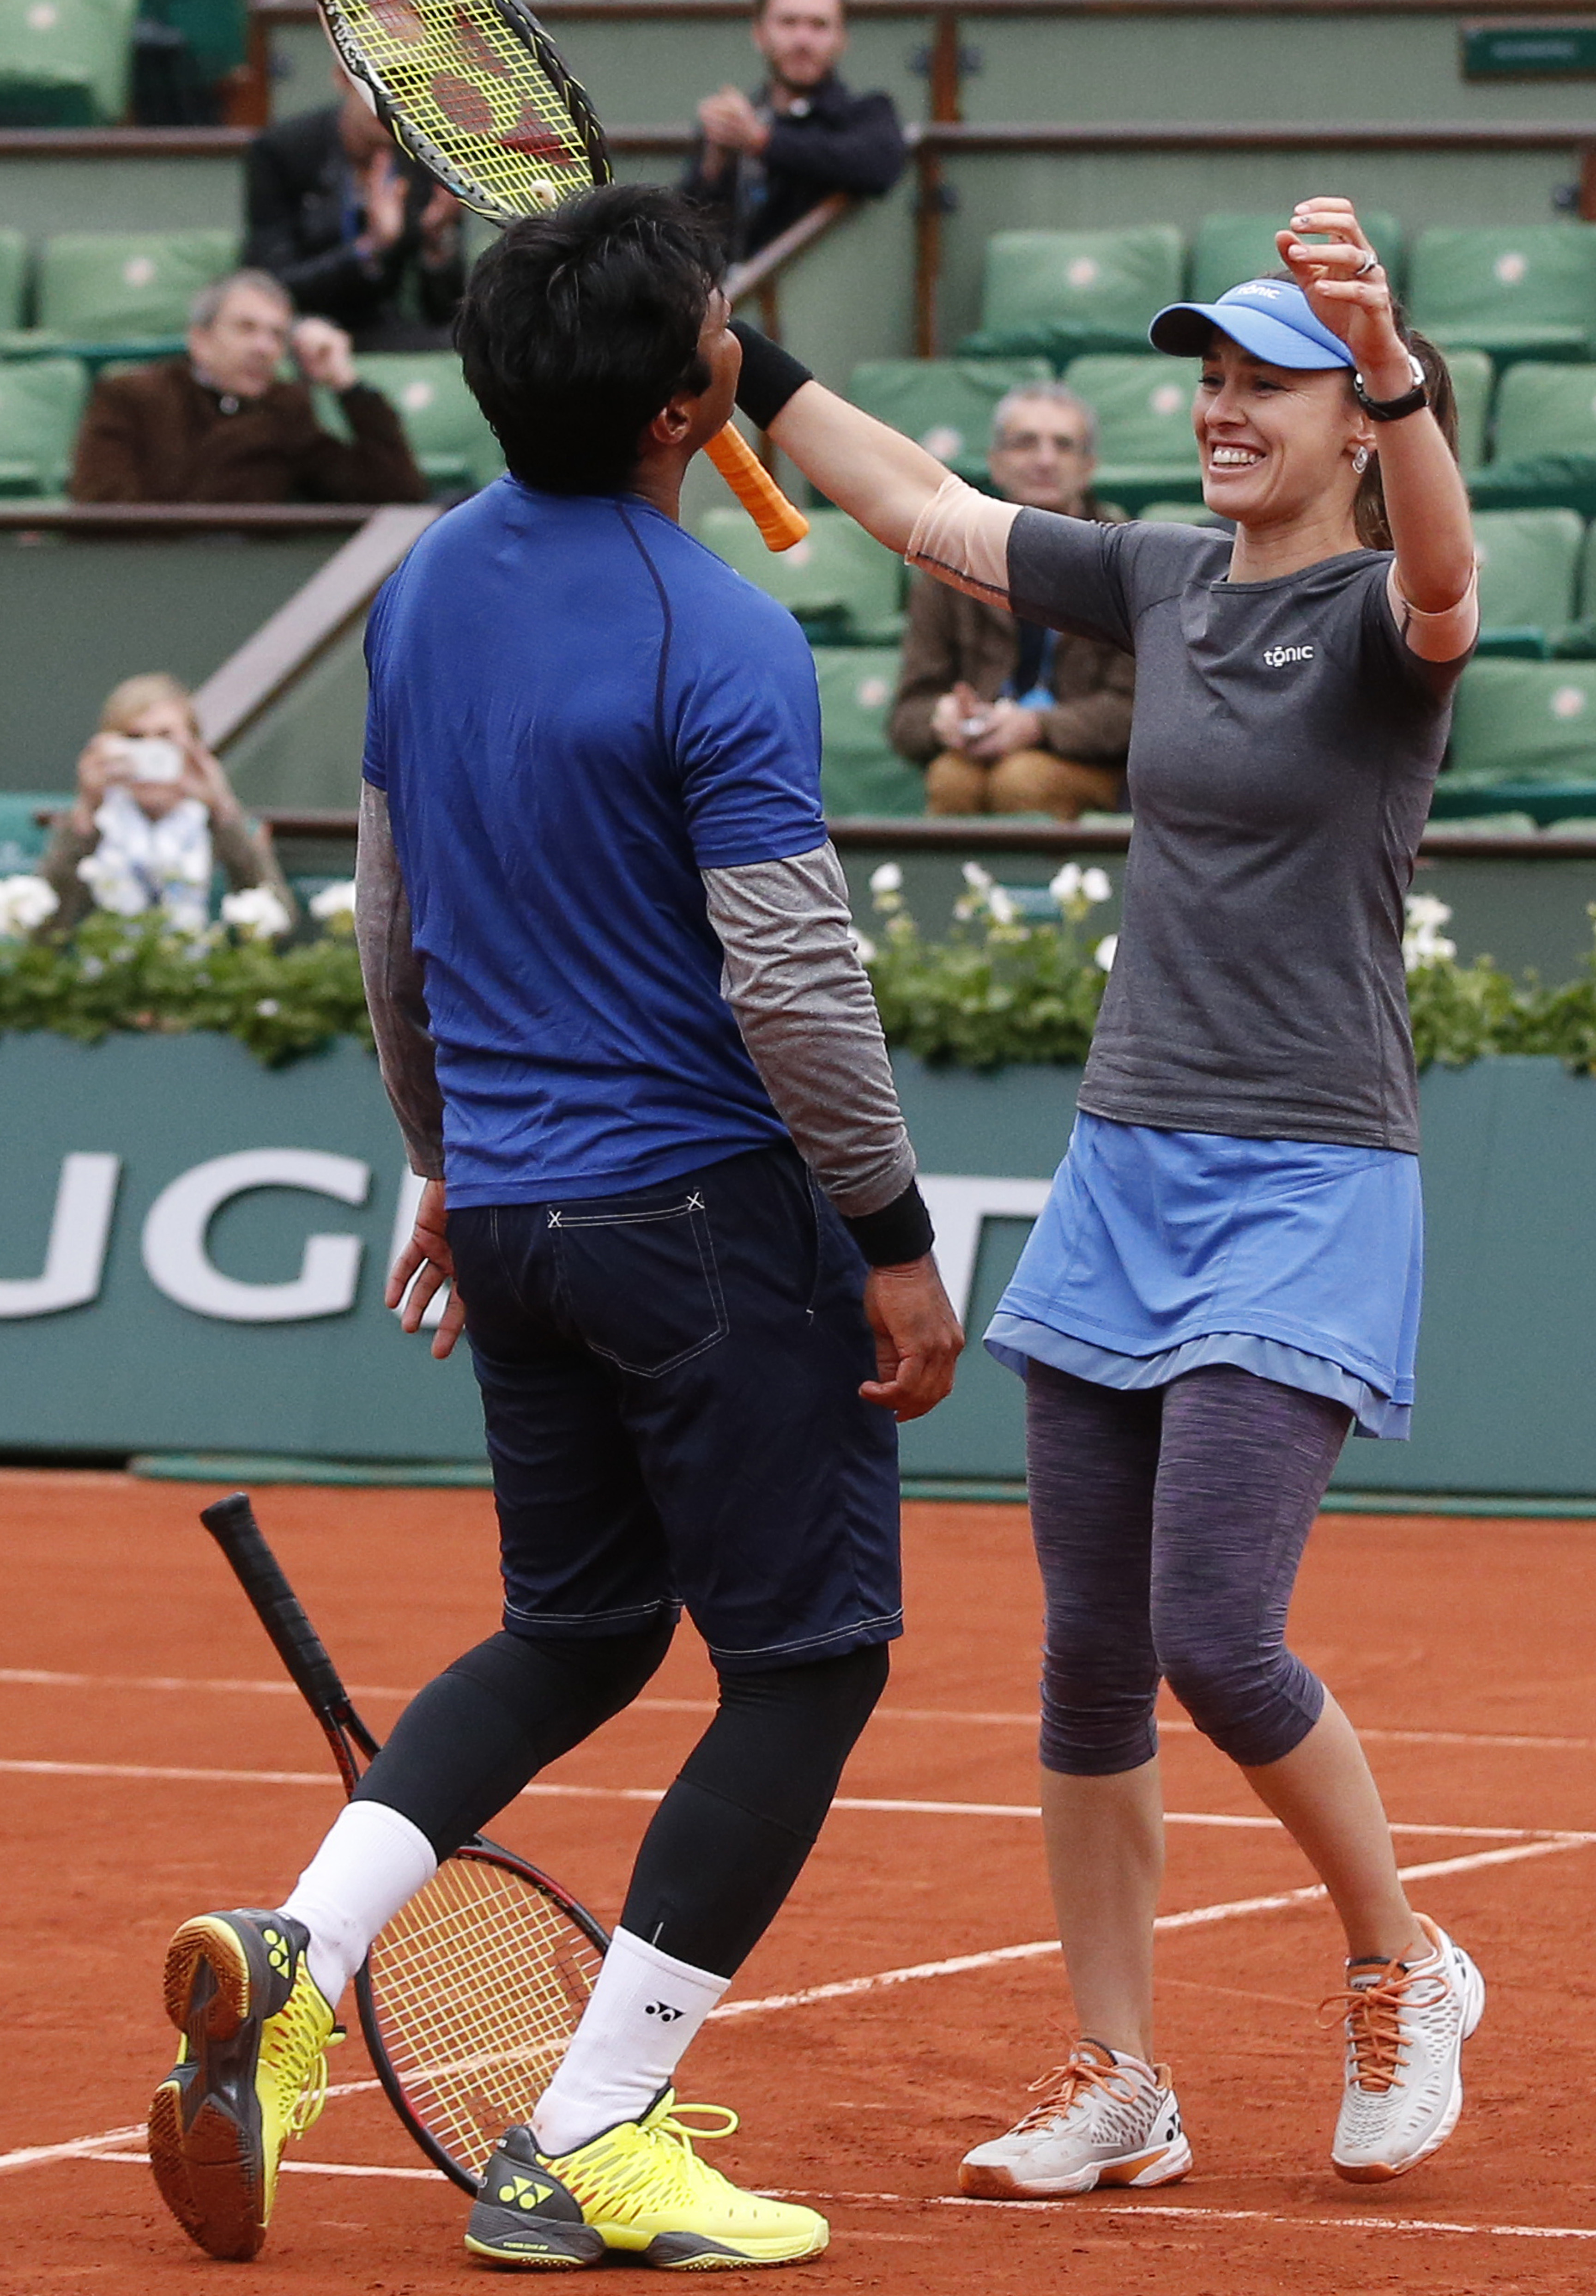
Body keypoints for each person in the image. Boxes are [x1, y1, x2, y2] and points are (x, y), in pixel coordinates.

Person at [145, 185, 962, 2272]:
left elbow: (388, 914)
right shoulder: (728, 637)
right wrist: (885, 1230)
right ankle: (590, 2130)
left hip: (508, 1208)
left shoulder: (419, 590)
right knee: (807, 1663)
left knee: (579, 1628)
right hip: (700, 1217)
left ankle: (298, 1947)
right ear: (698, 397)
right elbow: (788, 981)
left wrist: (449, 1152)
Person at [726, 198, 1487, 2195]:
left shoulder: (1383, 627)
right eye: (1210, 381)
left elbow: (1441, 568)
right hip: (1126, 1163)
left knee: (1216, 1635)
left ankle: (1400, 1959)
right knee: (1082, 1647)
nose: (1223, 411)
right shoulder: (1151, 577)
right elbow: (912, 503)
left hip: (1311, 1171)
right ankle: (1116, 2073)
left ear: (1351, 414)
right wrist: (751, 361)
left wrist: (1388, 361)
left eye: (1267, 385)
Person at [891, 382, 1134, 818]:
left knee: (1022, 779)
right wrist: (941, 717)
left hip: (1092, 765)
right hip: (977, 754)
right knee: (951, 778)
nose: (1045, 460)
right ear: (995, 464)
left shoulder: (1127, 561)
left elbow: (1138, 712)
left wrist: (1036, 727)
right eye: (1025, 443)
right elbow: (906, 716)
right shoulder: (948, 562)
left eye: (1063, 445)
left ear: (1088, 467)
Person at [70, 269, 427, 506]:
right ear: (201, 340)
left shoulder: (286, 407)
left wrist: (346, 385)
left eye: (277, 335)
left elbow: (394, 493)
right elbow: (102, 510)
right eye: (246, 328)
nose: (264, 348)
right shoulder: (131, 397)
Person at [683, 0, 907, 262]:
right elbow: (691, 235)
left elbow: (878, 165)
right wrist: (713, 169)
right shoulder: (738, 123)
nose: (803, 40)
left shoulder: (867, 114)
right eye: (788, 23)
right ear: (759, 33)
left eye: (819, 25)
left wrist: (762, 142)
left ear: (842, 38)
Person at [40, 672, 294, 933]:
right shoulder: (91, 826)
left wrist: (222, 808)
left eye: (165, 737)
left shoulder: (221, 826)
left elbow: (278, 925)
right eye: (135, 738)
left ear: (193, 746)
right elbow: (43, 930)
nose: (151, 751)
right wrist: (87, 811)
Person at [244, 74, 465, 350]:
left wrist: (435, 241)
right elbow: (271, 284)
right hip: (300, 322)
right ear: (342, 76)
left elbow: (447, 312)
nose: (392, 101)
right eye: (379, 84)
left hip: (383, 328)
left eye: (409, 88)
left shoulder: (427, 153)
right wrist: (371, 247)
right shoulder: (283, 150)